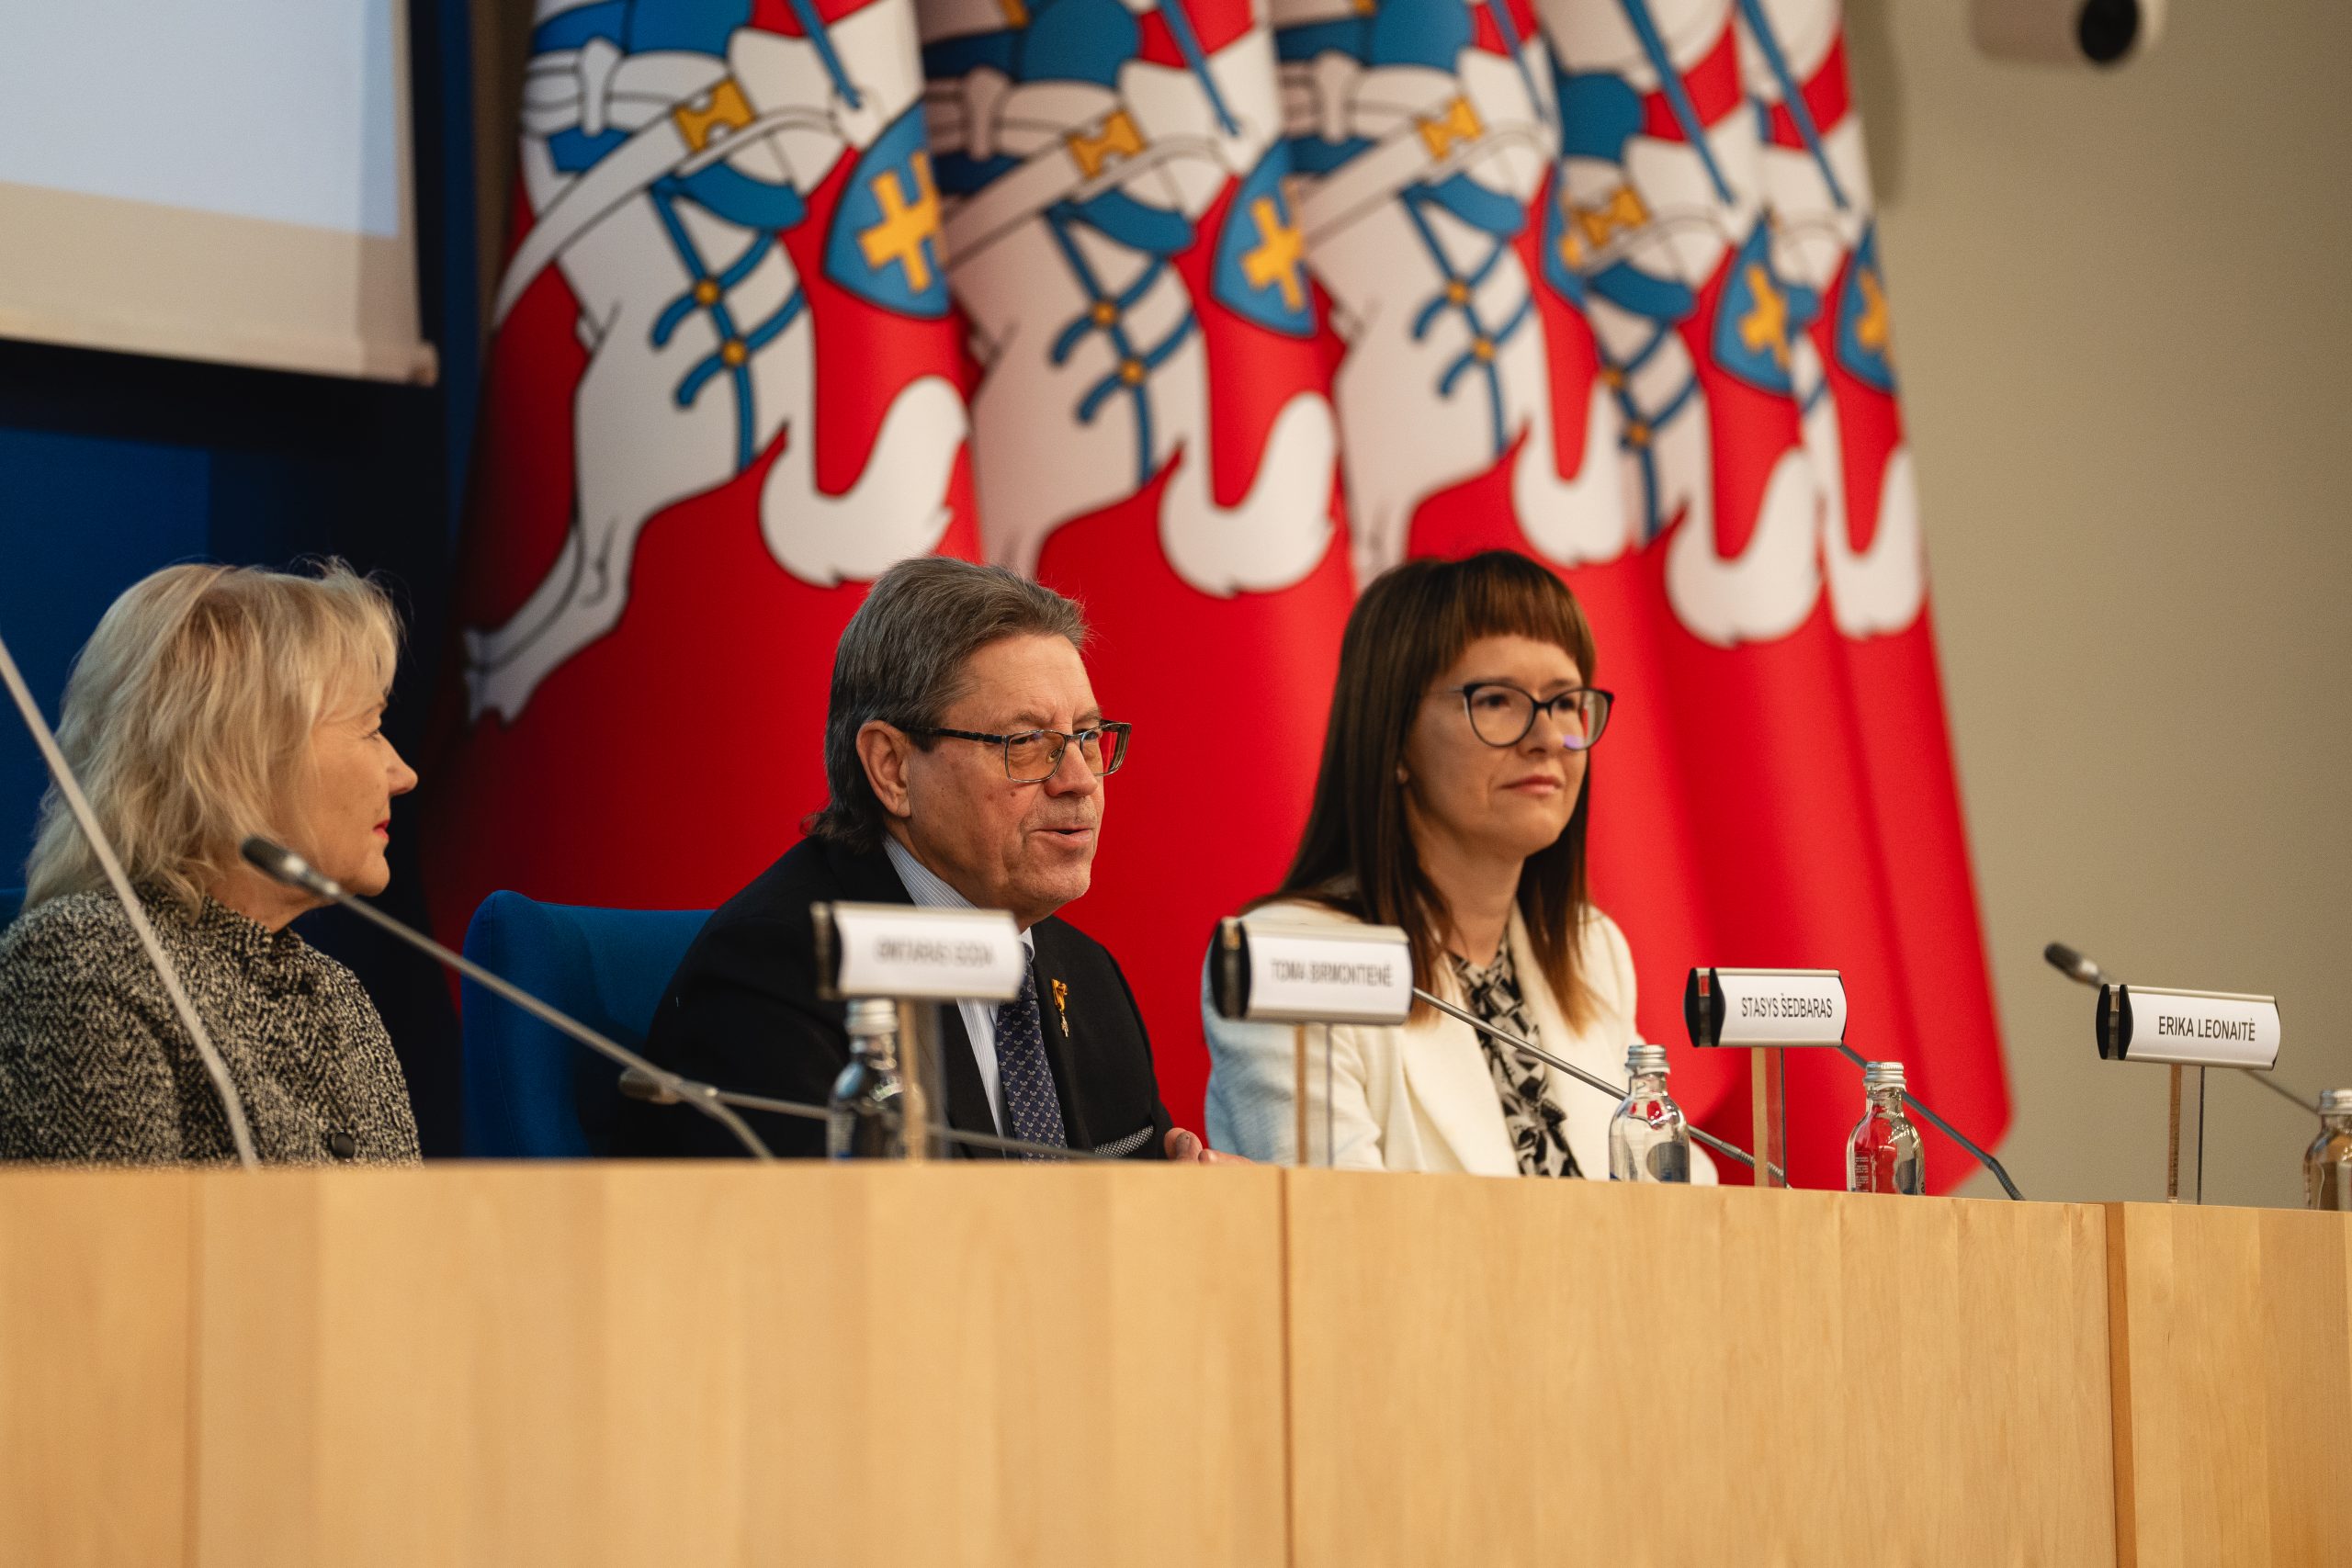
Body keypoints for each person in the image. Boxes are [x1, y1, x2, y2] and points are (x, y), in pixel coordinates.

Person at [615, 557, 1231, 1162]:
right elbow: (824, 1226)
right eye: (1027, 742)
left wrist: (1192, 1199)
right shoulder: (781, 972)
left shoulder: (1087, 975)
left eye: (1087, 737)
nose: (1079, 780)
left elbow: (1132, 1201)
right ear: (893, 768)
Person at [1203, 551, 1713, 1179]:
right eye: (1497, 699)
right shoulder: (1289, 957)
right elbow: (1337, 1231)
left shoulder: (1590, 949)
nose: (1547, 738)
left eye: (1564, 702)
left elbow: (1675, 1199)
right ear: (1394, 738)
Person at [0, 562, 424, 1165]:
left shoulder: (339, 998)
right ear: (245, 755)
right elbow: (113, 1230)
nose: (403, 774)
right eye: (371, 729)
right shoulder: (82, 967)